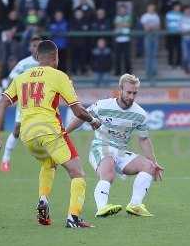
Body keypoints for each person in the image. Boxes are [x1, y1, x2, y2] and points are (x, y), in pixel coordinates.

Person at [0, 40, 101, 228]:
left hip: (27, 134)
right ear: (55, 57)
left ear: (37, 57)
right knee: (77, 172)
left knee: (49, 163)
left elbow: (1, 103)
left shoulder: (21, 77)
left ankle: (43, 201)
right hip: (49, 130)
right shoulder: (59, 76)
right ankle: (73, 218)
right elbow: (78, 111)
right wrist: (93, 121)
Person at [66, 74, 164, 217]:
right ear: (120, 89)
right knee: (109, 170)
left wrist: (154, 162)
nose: (131, 96)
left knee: (148, 166)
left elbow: (143, 139)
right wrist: (65, 132)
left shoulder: (139, 114)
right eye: (128, 92)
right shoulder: (103, 105)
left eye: (134, 93)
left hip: (121, 152)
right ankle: (102, 207)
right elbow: (82, 116)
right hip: (101, 147)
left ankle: (135, 205)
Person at [0, 36, 42, 172]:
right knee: (17, 130)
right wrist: (7, 94)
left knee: (48, 130)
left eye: (38, 45)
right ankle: (5, 160)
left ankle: (53, 161)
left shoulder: (47, 63)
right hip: (25, 103)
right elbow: (11, 79)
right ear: (30, 48)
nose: (36, 48)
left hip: (43, 103)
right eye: (34, 45)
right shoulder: (23, 64)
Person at [140, 3, 161, 78]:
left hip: (155, 36)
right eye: (150, 8)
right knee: (148, 54)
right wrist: (151, 27)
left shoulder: (156, 16)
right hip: (148, 36)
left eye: (153, 8)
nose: (151, 9)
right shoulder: (144, 16)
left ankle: (154, 71)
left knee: (154, 54)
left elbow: (158, 26)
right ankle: (148, 72)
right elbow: (145, 27)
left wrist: (151, 27)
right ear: (147, 8)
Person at [114, 4, 132, 76]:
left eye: (123, 9)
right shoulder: (116, 17)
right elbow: (116, 25)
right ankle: (117, 72)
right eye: (121, 10)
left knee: (127, 57)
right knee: (117, 57)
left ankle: (128, 73)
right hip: (118, 39)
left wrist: (121, 24)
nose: (122, 11)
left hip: (126, 39)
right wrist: (123, 24)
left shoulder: (128, 17)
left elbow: (128, 25)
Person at [165, 1, 182, 68]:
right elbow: (167, 23)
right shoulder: (169, 14)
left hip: (178, 34)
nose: (178, 8)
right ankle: (170, 63)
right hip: (171, 34)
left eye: (179, 6)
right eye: (177, 6)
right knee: (171, 49)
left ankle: (178, 63)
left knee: (179, 49)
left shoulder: (181, 14)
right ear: (174, 7)